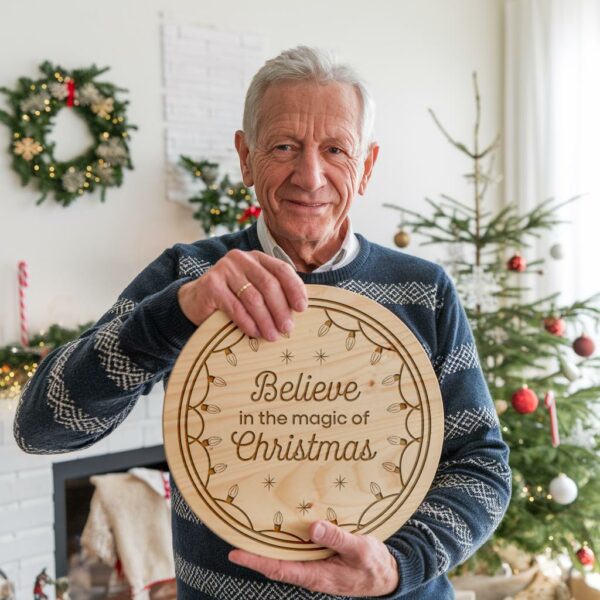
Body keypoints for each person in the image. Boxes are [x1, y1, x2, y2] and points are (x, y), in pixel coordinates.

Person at [15, 46, 511, 599]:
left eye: (334, 150)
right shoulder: (191, 275)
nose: (310, 175)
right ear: (245, 157)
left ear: (366, 167)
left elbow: (483, 467)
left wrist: (399, 565)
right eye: (284, 146)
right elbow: (40, 426)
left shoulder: (423, 291)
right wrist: (172, 315)